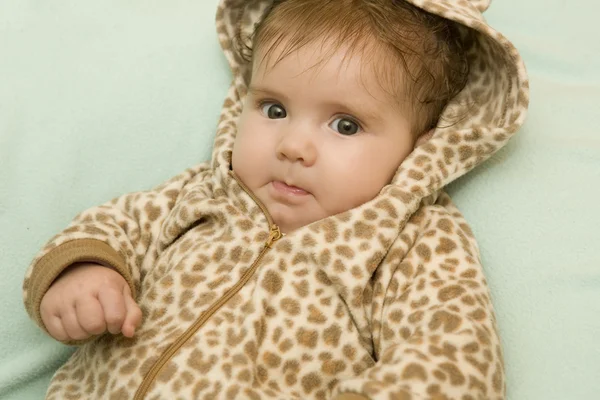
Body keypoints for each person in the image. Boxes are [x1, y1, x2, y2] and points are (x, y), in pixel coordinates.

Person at [22, 0, 529, 398]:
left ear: (421, 147)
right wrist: (86, 274)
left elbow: (453, 356)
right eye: (274, 108)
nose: (292, 146)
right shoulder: (203, 192)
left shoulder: (413, 240)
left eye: (345, 125)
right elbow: (113, 226)